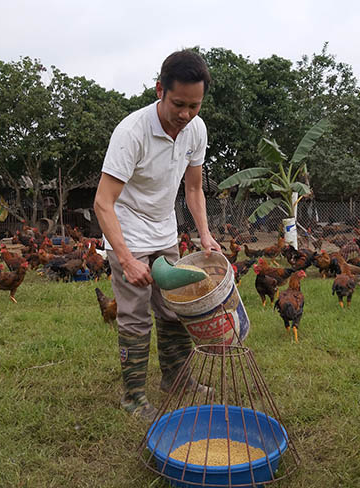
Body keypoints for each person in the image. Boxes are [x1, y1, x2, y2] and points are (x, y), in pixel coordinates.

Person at [94, 50, 221, 422]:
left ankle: (176, 380)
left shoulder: (195, 130)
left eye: (194, 106)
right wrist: (128, 259)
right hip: (127, 230)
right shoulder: (131, 133)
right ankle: (133, 397)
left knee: (172, 308)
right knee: (134, 315)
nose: (185, 114)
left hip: (164, 229)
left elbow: (194, 190)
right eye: (178, 104)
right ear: (159, 90)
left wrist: (205, 235)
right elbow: (103, 203)